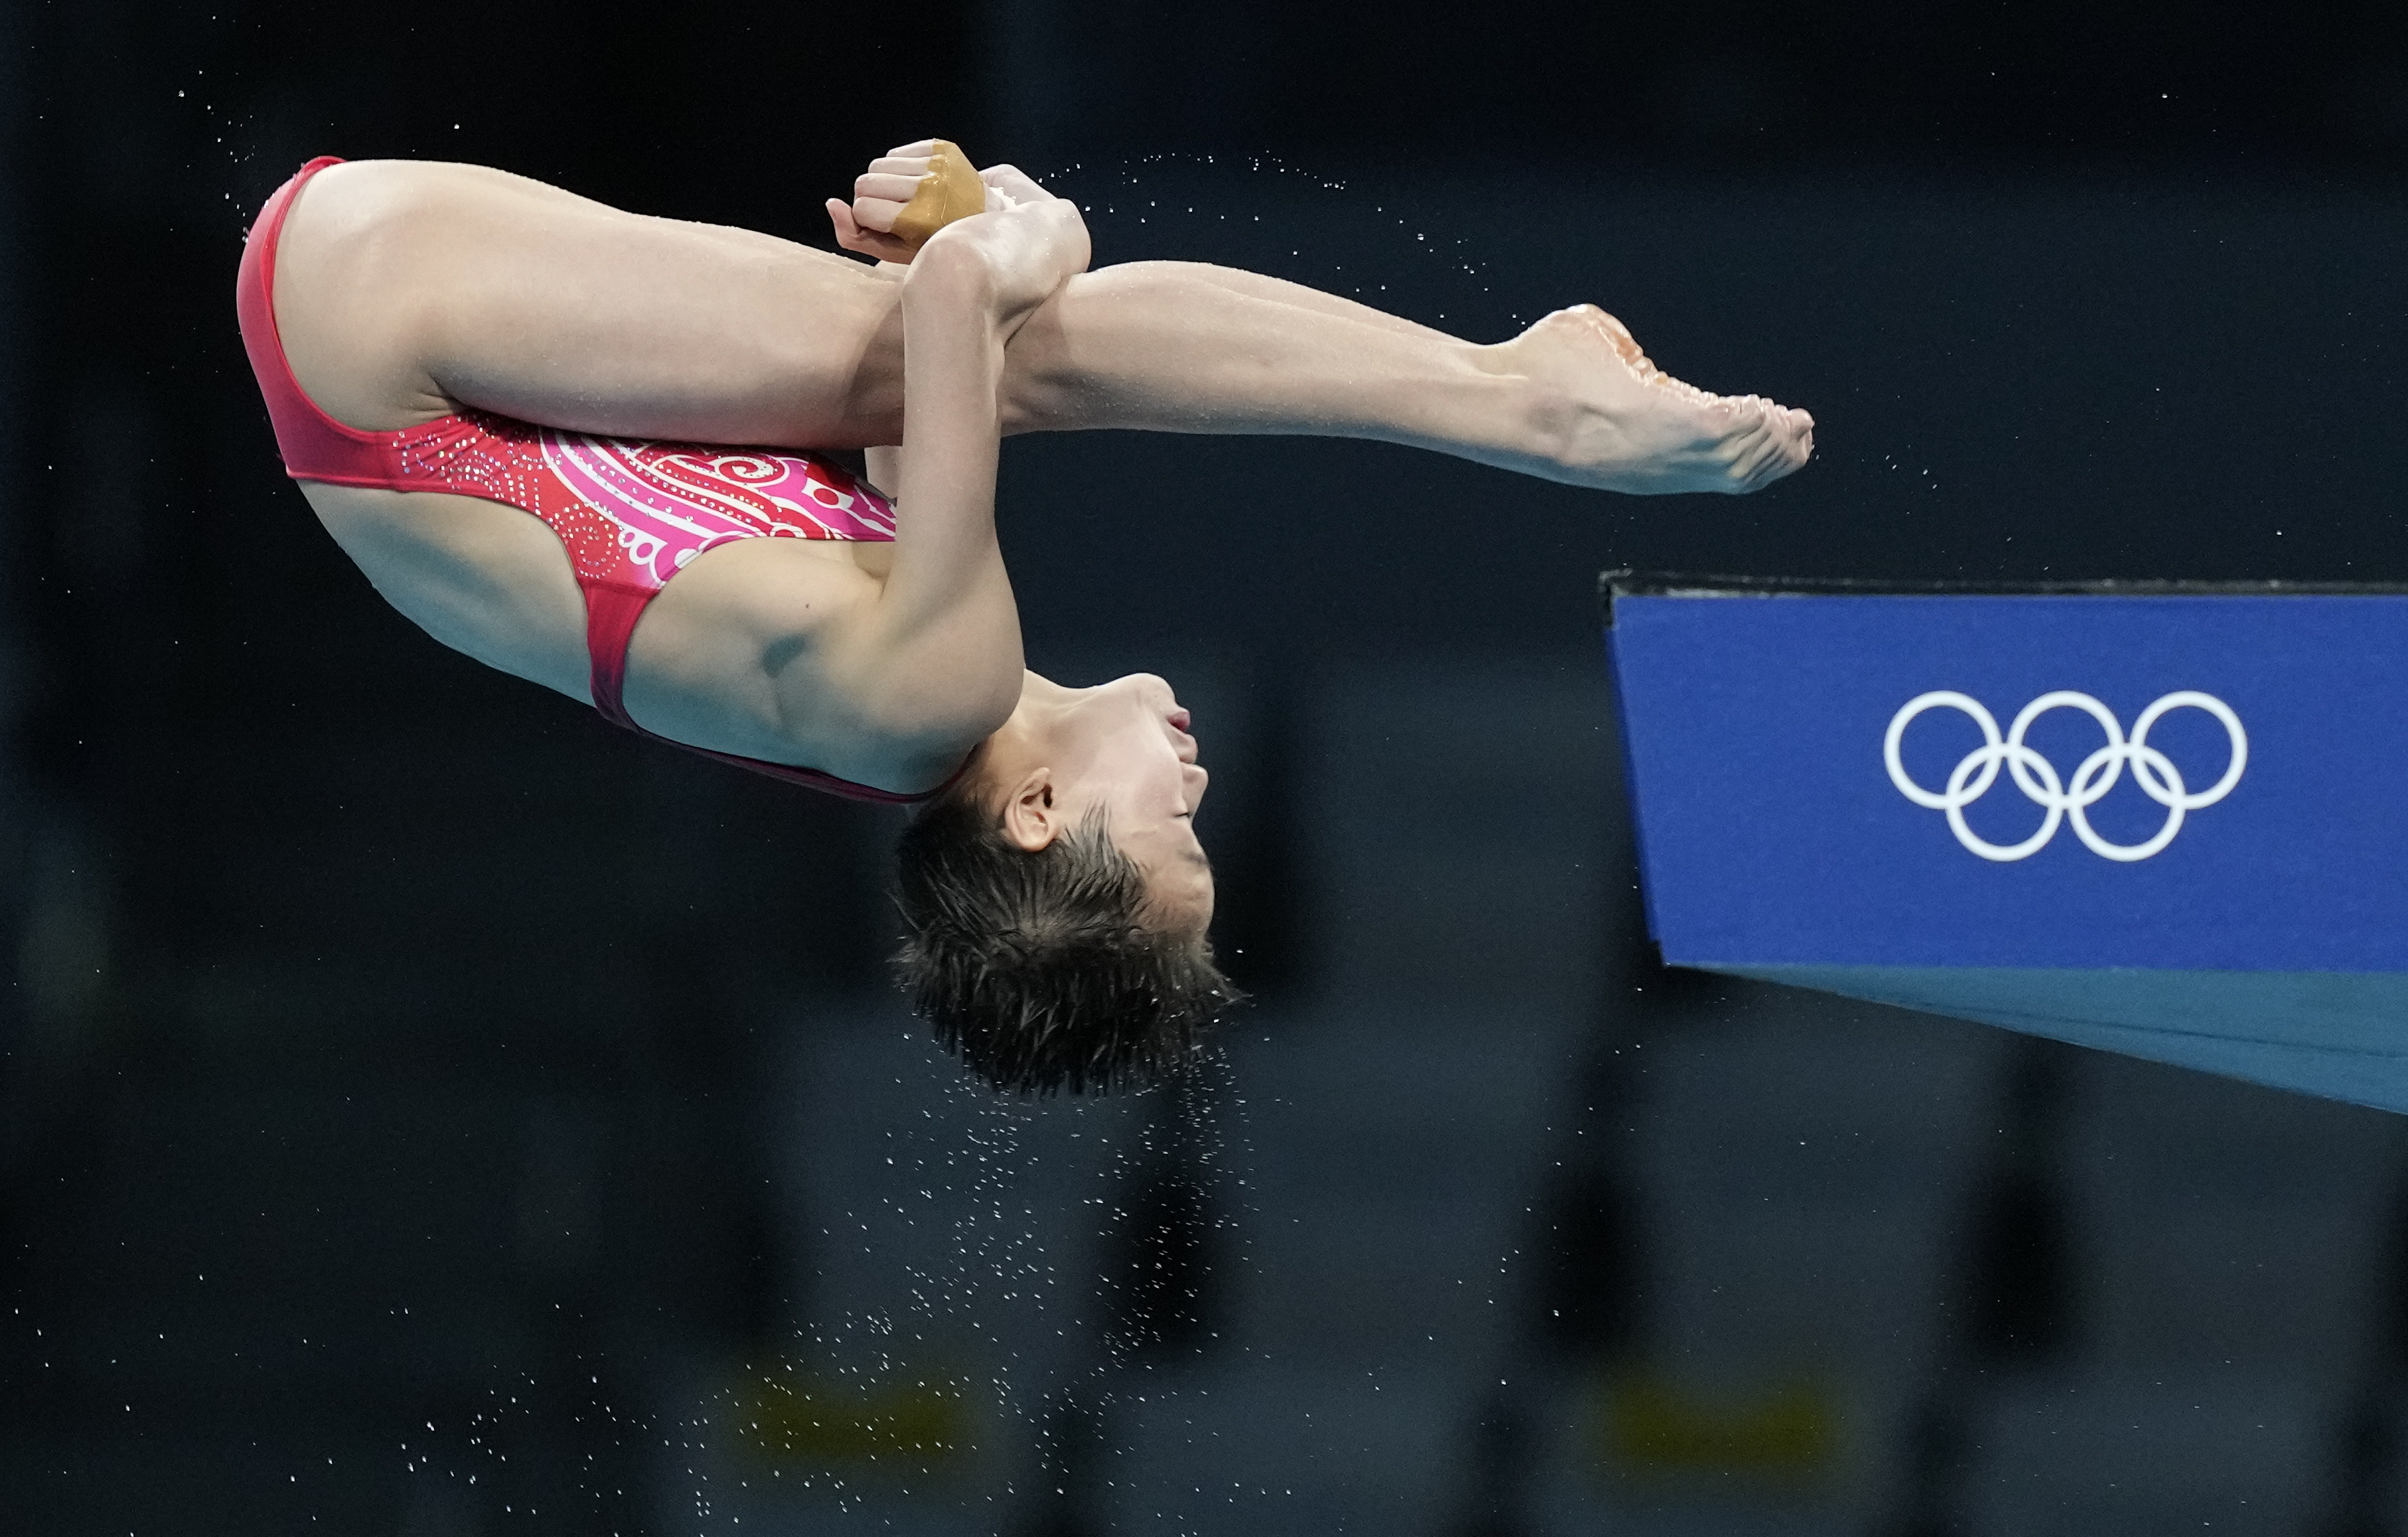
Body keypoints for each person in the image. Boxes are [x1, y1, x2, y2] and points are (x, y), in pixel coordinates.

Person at [235, 144, 1815, 1094]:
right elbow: (928, 373)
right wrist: (955, 233)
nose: (1200, 792)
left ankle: (1524, 407)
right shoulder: (889, 726)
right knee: (976, 347)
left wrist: (1016, 229)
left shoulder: (937, 694)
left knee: (1024, 338)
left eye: (1178, 839)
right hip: (379, 359)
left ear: (1043, 813)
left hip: (381, 343)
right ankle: (1509, 398)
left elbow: (959, 317)